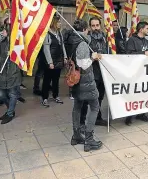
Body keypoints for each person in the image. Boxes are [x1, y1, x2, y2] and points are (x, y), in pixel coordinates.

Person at [68, 19, 103, 152]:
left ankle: (76, 135)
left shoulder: (71, 40)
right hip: (85, 80)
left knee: (77, 106)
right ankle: (89, 140)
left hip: (76, 81)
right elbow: (84, 65)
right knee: (95, 107)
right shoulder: (82, 43)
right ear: (85, 29)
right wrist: (93, 57)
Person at [0, 18, 21, 124]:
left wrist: (14, 54)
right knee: (2, 94)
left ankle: (10, 113)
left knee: (12, 94)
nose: (9, 26)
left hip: (13, 69)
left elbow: (25, 54)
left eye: (11, 24)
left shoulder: (19, 38)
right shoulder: (2, 37)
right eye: (7, 24)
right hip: (2, 69)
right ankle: (9, 110)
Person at [80, 17, 108, 126]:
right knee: (87, 99)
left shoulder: (105, 38)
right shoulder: (87, 39)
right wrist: (92, 57)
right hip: (91, 73)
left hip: (102, 74)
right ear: (90, 27)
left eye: (97, 25)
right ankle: (82, 123)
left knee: (100, 97)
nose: (95, 28)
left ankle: (97, 118)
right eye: (93, 25)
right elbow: (83, 57)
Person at [124, 21, 148, 125]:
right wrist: (143, 53)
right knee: (133, 94)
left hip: (143, 71)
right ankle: (129, 116)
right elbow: (129, 54)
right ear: (141, 30)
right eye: (147, 28)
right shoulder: (132, 40)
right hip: (133, 71)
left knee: (143, 93)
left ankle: (141, 113)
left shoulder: (146, 41)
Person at [41, 15, 67, 107]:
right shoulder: (47, 34)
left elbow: (62, 45)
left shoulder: (59, 33)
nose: (60, 23)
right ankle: (44, 98)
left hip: (59, 60)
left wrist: (65, 57)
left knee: (56, 80)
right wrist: (50, 62)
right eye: (58, 22)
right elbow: (46, 49)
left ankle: (56, 95)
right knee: (47, 80)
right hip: (51, 61)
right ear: (53, 23)